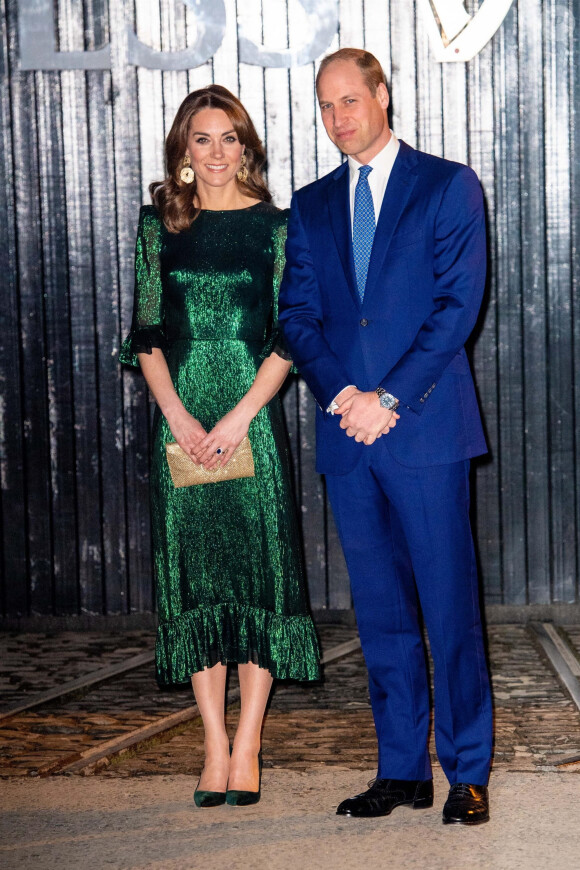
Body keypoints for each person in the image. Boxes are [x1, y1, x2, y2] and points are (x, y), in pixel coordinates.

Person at [278, 48, 493, 826]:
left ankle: (468, 772)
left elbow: (457, 307)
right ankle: (401, 769)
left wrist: (389, 397)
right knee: (381, 615)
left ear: (382, 96)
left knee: (449, 608)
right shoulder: (310, 205)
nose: (338, 116)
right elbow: (296, 316)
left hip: (424, 429)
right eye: (325, 104)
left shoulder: (447, 185)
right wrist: (344, 395)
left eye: (349, 99)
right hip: (348, 435)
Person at [120, 84, 320, 809]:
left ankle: (248, 744)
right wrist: (176, 415)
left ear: (246, 148)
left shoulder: (278, 228)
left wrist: (239, 418)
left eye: (228, 138)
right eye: (201, 138)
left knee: (259, 577)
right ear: (182, 150)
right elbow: (145, 331)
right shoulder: (158, 227)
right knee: (197, 580)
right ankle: (211, 745)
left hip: (250, 424)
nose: (215, 152)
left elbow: (289, 335)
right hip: (181, 428)